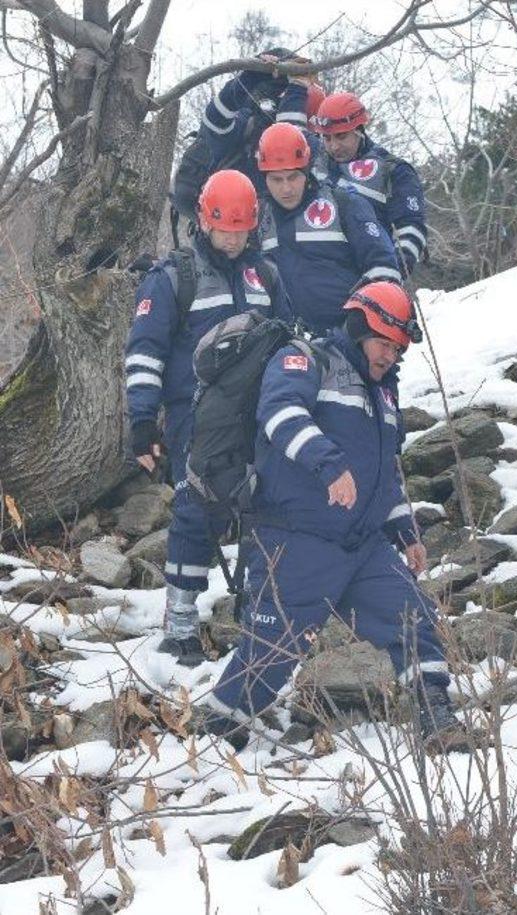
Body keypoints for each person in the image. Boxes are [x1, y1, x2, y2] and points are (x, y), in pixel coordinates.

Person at [204, 281, 457, 750]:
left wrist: (406, 533)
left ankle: (436, 716)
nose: (390, 356)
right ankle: (218, 732)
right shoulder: (306, 360)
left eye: (398, 349)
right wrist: (328, 464)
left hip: (362, 545)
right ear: (359, 327)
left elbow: (385, 473)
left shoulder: (384, 394)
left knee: (413, 616)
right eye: (384, 343)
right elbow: (278, 414)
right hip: (295, 539)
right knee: (272, 653)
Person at [125, 170, 291, 667]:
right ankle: (179, 624)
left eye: (242, 230)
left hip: (259, 412)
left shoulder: (267, 275)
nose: (234, 240)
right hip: (194, 415)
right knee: (196, 510)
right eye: (225, 230)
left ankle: (259, 614)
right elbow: (144, 352)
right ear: (204, 221)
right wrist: (140, 421)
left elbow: (287, 339)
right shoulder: (174, 276)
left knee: (267, 506)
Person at [256, 122, 403, 333]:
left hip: (347, 340)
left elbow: (384, 268)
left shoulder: (344, 203)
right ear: (264, 178)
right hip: (286, 344)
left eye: (293, 177)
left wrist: (361, 328)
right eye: (276, 180)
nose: (286, 188)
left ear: (307, 171)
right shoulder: (258, 217)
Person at [312, 92, 428, 276]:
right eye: (327, 138)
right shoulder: (312, 165)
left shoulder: (394, 170)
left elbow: (411, 228)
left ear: (359, 130)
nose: (333, 146)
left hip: (373, 276)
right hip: (324, 279)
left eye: (341, 136)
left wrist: (392, 273)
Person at [193, 49, 325, 195]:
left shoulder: (316, 150)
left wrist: (298, 88)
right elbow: (215, 119)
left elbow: (290, 141)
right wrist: (250, 77)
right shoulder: (249, 127)